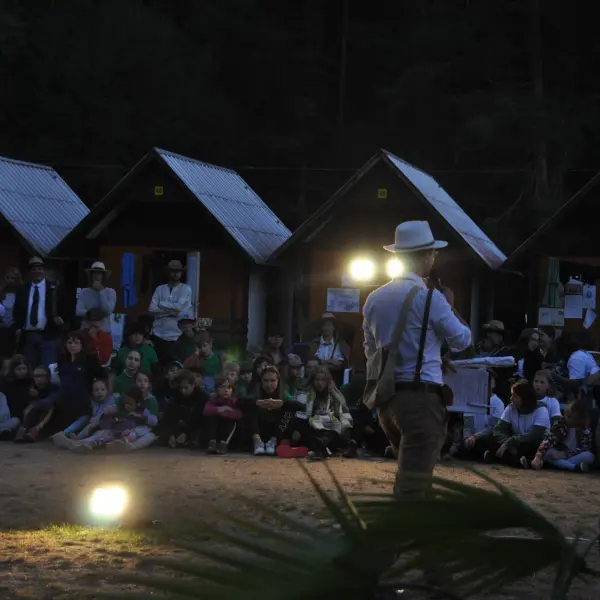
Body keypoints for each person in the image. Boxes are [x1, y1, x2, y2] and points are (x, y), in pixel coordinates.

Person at [362, 221, 471, 498]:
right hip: (420, 399)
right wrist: (450, 306)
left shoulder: (374, 298)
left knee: (414, 476)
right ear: (424, 255)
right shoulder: (430, 298)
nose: (434, 258)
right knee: (413, 485)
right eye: (433, 253)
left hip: (387, 399)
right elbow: (462, 340)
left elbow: (370, 351)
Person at [473, 381, 550, 468]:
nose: (511, 398)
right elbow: (498, 429)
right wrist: (507, 444)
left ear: (524, 399)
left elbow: (534, 435)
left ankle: (509, 459)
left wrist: (509, 442)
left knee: (529, 448)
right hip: (514, 444)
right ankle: (515, 459)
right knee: (484, 440)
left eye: (515, 396)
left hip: (531, 444)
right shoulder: (510, 408)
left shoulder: (541, 410)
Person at [12, 257, 66, 367]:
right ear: (29, 272)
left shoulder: (54, 287)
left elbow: (65, 306)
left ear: (44, 270)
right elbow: (17, 310)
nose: (37, 271)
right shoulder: (22, 289)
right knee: (28, 368)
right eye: (34, 269)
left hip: (49, 335)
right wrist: (17, 327)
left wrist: (61, 319)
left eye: (39, 269)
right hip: (28, 336)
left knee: (48, 368)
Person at [149, 259, 193, 363]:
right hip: (158, 335)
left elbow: (179, 307)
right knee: (158, 365)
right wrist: (171, 312)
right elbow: (151, 309)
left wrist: (161, 304)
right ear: (168, 272)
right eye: (173, 271)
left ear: (181, 273)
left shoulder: (186, 289)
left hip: (176, 336)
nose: (176, 274)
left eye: (178, 271)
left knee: (175, 366)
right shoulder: (159, 289)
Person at [532, 400, 594, 472]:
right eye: (567, 415)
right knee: (548, 453)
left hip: (571, 456)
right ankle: (573, 467)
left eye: (571, 417)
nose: (567, 417)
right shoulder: (560, 424)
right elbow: (549, 439)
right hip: (557, 454)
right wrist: (538, 455)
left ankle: (563, 465)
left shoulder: (585, 430)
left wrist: (565, 455)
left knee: (589, 456)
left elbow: (584, 448)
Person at [203, 376, 243, 454]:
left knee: (231, 421)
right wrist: (220, 409)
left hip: (228, 432)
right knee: (211, 417)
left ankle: (223, 444)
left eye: (229, 387)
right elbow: (206, 410)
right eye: (222, 387)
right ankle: (212, 443)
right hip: (215, 430)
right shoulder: (213, 400)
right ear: (216, 390)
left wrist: (226, 413)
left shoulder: (234, 401)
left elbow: (239, 414)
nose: (226, 390)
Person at [309, 313, 350, 387]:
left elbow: (340, 364)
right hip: (316, 379)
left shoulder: (341, 344)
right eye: (324, 325)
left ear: (334, 327)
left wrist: (321, 362)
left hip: (335, 379)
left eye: (329, 325)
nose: (326, 328)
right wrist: (331, 361)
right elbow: (311, 362)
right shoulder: (314, 343)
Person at [75, 262, 116, 333]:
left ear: (103, 276)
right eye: (94, 273)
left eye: (99, 273)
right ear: (91, 275)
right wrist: (91, 313)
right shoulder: (84, 291)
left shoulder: (111, 292)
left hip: (103, 330)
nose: (97, 275)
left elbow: (108, 311)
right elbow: (78, 311)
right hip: (86, 329)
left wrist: (101, 291)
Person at [0, 266, 22, 356]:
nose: (9, 280)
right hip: (2, 327)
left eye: (12, 278)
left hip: (15, 328)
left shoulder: (21, 292)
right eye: (7, 277)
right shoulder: (1, 291)